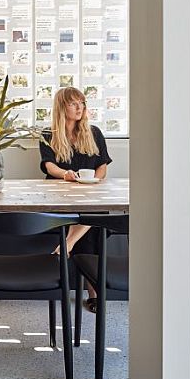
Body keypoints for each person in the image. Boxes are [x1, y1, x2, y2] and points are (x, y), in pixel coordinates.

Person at [39, 87, 113, 312]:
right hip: (60, 194)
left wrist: (96, 182)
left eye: (82, 102)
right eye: (74, 103)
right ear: (62, 107)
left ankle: (67, 244)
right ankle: (95, 294)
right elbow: (48, 165)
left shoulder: (94, 132)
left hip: (90, 194)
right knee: (91, 222)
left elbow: (102, 164)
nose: (80, 107)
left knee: (93, 218)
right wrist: (65, 175)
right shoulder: (48, 134)